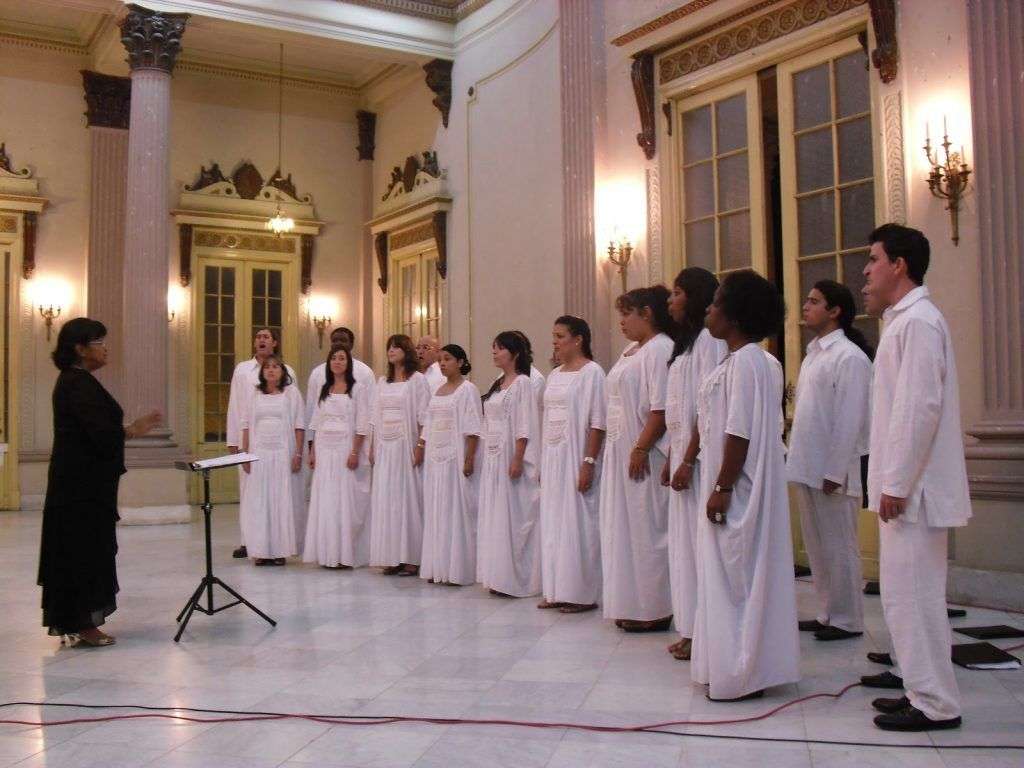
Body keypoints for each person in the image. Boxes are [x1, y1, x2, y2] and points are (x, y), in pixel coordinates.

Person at [859, 224, 970, 732]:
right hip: (904, 485)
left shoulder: (919, 322)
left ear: (899, 265)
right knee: (904, 597)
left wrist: (896, 484)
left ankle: (936, 704)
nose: (866, 270)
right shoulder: (904, 322)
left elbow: (919, 409)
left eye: (874, 259)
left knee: (917, 598)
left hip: (915, 491)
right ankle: (918, 687)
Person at [691, 270, 799, 702]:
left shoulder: (751, 360)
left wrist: (723, 485)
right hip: (728, 478)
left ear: (733, 316)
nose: (708, 310)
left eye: (715, 303)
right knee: (724, 573)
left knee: (738, 575)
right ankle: (724, 663)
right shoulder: (734, 360)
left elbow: (739, 432)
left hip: (741, 486)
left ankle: (743, 669)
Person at [38, 318, 161, 647]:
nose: (105, 348)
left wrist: (131, 430)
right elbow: (99, 434)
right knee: (82, 552)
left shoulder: (80, 381)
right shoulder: (75, 384)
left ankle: (79, 621)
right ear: (79, 349)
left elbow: (99, 433)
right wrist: (133, 429)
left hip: (83, 485)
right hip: (78, 490)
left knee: (87, 550)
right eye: (99, 342)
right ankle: (82, 623)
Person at [787, 280, 873, 642]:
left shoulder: (849, 357)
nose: (806, 306)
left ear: (835, 310)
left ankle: (847, 619)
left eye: (814, 301)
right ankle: (827, 612)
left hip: (832, 470)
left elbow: (851, 419)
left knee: (840, 545)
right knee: (819, 547)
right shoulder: (813, 355)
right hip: (808, 464)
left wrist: (835, 470)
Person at [600, 286, 675, 632]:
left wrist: (641, 447)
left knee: (648, 529)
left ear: (647, 313)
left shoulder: (660, 349)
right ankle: (631, 601)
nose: (621, 322)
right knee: (625, 529)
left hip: (644, 454)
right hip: (621, 450)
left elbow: (660, 409)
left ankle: (656, 607)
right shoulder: (632, 351)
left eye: (626, 314)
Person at [661, 268, 726, 660]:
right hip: (683, 454)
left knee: (699, 546)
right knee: (683, 547)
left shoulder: (708, 341)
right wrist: (672, 454)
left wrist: (688, 457)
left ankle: (704, 629)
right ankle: (689, 625)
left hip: (700, 461)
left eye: (678, 292)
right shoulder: (683, 344)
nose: (671, 300)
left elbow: (707, 406)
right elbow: (677, 409)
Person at [537, 316, 606, 613]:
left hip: (577, 455)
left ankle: (579, 593)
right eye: (553, 336)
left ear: (578, 339)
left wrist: (588, 462)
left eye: (560, 336)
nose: (554, 341)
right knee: (554, 521)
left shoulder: (593, 373)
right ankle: (555, 588)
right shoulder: (554, 376)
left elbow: (598, 422)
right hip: (553, 457)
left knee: (577, 523)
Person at [478, 331, 542, 598]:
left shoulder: (523, 383)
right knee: (495, 514)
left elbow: (524, 425)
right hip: (492, 456)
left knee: (513, 516)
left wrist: (518, 458)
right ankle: (497, 574)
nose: (494, 353)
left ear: (514, 353)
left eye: (500, 348)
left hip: (509, 456)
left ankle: (516, 578)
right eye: (493, 348)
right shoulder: (498, 382)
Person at [226, 328, 297, 558]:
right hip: (251, 443)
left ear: (275, 343)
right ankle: (249, 541)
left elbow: (294, 414)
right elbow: (236, 406)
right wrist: (233, 440)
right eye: (258, 336)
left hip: (277, 444)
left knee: (276, 493)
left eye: (266, 337)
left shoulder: (289, 372)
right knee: (249, 493)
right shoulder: (243, 370)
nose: (261, 340)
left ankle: (277, 542)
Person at [303, 344, 371, 569]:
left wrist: (354, 451)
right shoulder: (324, 388)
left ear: (348, 363)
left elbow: (362, 424)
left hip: (345, 450)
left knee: (344, 500)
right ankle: (327, 552)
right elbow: (316, 422)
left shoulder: (358, 388)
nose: (338, 362)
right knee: (326, 499)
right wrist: (312, 451)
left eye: (342, 358)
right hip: (324, 450)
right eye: (334, 358)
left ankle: (344, 553)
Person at [369, 334, 432, 576]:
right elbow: (375, 417)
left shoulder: (417, 380)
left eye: (396, 346)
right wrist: (373, 447)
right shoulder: (382, 381)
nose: (392, 350)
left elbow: (425, 416)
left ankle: (411, 558)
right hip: (385, 447)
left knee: (408, 500)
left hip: (406, 446)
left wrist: (420, 446)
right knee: (387, 500)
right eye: (389, 347)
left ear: (406, 350)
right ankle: (391, 556)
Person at [420, 344, 482, 586]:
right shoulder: (438, 391)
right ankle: (438, 566)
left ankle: (457, 569)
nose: (443, 363)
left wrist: (468, 458)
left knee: (456, 510)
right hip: (435, 458)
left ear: (460, 362)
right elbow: (428, 424)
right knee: (437, 509)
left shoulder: (468, 390)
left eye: (448, 359)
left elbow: (473, 428)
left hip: (454, 458)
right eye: (441, 360)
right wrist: (422, 447)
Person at [240, 354, 305, 565]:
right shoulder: (254, 394)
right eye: (267, 367)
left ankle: (279, 551)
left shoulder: (291, 394)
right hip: (259, 455)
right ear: (262, 372)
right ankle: (260, 550)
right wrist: (246, 455)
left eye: (276, 367)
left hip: (282, 454)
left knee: (280, 500)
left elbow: (299, 425)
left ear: (282, 371)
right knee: (259, 502)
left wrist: (297, 454)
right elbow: (247, 425)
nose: (271, 370)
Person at [305, 327, 375, 441]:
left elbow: (371, 408)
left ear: (351, 344)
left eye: (342, 340)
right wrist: (310, 440)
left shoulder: (365, 372)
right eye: (334, 340)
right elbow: (311, 409)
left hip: (354, 437)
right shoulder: (317, 373)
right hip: (324, 439)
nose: (338, 343)